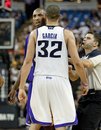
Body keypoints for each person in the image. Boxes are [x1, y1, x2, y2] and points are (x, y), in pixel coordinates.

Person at [18, 5, 88, 130]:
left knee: (36, 121)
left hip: (39, 81)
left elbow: (27, 62)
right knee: (61, 122)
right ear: (59, 17)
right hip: (59, 80)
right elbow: (77, 62)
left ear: (45, 17)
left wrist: (21, 87)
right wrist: (84, 83)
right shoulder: (67, 34)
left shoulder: (35, 33)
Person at [8, 8, 54, 130]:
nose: (37, 18)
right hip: (38, 83)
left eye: (40, 15)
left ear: (47, 16)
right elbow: (26, 64)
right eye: (34, 16)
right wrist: (15, 88)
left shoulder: (58, 34)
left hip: (52, 83)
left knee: (47, 123)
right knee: (44, 123)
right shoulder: (32, 36)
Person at [69, 32, 101, 130]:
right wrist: (69, 71)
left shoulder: (99, 55)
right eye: (84, 37)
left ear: (95, 43)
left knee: (88, 127)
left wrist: (67, 58)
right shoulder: (83, 58)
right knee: (76, 127)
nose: (84, 39)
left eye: (88, 38)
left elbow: (87, 64)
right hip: (86, 96)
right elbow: (74, 77)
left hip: (98, 97)